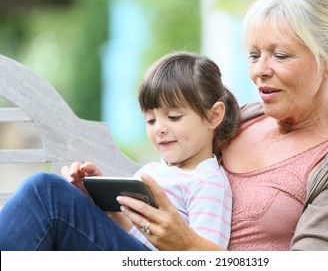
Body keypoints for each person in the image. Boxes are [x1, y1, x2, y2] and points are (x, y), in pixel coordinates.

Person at [102, 0, 328, 250]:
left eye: (280, 55)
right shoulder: (240, 119)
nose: (259, 71)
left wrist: (188, 248)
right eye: (254, 55)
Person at [0, 52, 240, 250]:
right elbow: (133, 235)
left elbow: (205, 256)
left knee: (46, 192)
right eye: (151, 121)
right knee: (49, 193)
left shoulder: (207, 182)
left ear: (213, 115)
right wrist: (98, 200)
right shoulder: (156, 170)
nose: (160, 129)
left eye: (174, 117)